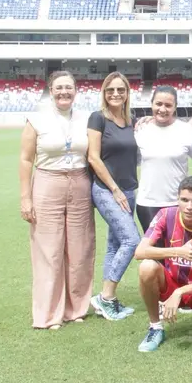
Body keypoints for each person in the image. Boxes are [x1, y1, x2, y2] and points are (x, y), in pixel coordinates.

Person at [19, 70, 94, 330]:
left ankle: (76, 308)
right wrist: (25, 197)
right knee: (48, 250)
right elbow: (26, 159)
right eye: (59, 88)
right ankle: (49, 314)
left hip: (80, 182)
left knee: (80, 248)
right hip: (47, 182)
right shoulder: (36, 120)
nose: (64, 92)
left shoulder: (86, 118)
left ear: (76, 90)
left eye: (68, 87)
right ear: (51, 91)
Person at [134, 177, 192, 352]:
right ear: (177, 199)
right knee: (147, 266)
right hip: (171, 282)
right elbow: (140, 252)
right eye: (184, 200)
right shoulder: (165, 215)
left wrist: (180, 292)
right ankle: (155, 327)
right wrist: (178, 251)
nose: (189, 206)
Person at [87, 72, 139, 321]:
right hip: (107, 190)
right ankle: (106, 297)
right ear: (104, 93)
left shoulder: (131, 119)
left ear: (127, 93)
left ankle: (107, 300)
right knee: (132, 240)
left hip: (129, 189)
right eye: (110, 90)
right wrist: (115, 189)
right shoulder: (98, 118)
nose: (115, 94)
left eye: (120, 90)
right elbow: (93, 157)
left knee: (115, 244)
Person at [135, 85, 192, 231]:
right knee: (153, 245)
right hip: (148, 203)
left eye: (168, 105)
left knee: (179, 244)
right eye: (158, 104)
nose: (162, 109)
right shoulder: (141, 129)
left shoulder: (186, 131)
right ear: (151, 104)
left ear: (175, 107)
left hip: (178, 202)